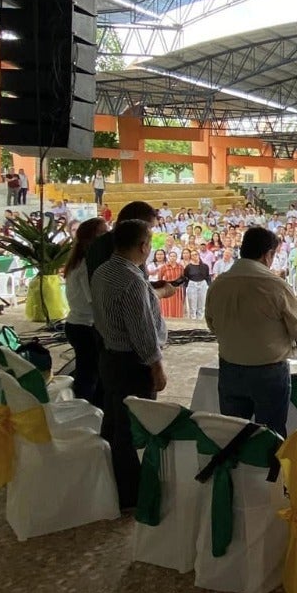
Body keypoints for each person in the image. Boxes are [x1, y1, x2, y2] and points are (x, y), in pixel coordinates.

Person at [204, 227, 297, 434]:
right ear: (268, 254)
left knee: (232, 435)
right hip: (268, 371)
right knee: (271, 435)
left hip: (229, 368)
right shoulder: (274, 285)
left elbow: (212, 324)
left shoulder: (219, 283)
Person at [91, 219, 168, 510]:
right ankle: (131, 493)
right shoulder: (130, 279)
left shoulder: (103, 271)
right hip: (131, 363)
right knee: (133, 428)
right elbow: (142, 330)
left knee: (114, 421)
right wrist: (156, 366)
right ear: (143, 246)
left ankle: (111, 482)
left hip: (110, 356)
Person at [62, 217, 107, 408]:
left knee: (90, 372)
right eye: (103, 233)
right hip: (85, 326)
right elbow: (93, 300)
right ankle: (83, 413)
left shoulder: (78, 261)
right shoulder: (86, 265)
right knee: (88, 377)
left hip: (78, 324)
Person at [181, 249, 211, 320]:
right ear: (190, 257)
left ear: (198, 255)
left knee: (202, 305)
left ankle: (200, 320)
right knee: (192, 305)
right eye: (192, 255)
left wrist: (209, 285)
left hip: (203, 284)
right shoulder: (188, 267)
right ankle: (193, 321)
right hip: (192, 284)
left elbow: (207, 276)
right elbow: (186, 277)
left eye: (196, 254)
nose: (194, 256)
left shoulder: (205, 266)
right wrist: (186, 287)